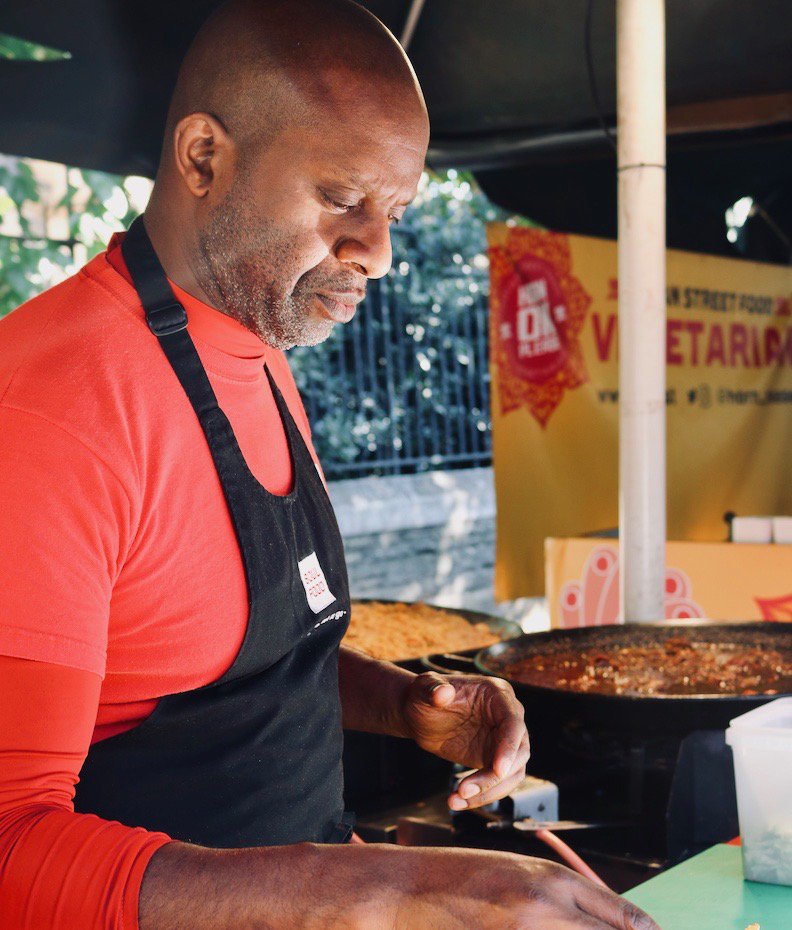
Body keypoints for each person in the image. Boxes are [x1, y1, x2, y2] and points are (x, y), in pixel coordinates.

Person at [0, 1, 659, 928]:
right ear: (203, 157)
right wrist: (391, 889)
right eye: (343, 198)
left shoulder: (259, 351)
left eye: (396, 212)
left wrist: (402, 704)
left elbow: (203, 658)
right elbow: (10, 847)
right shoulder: (51, 409)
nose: (378, 252)